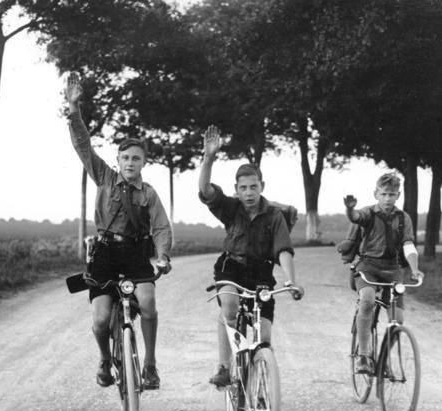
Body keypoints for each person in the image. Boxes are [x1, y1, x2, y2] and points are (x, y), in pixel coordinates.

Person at [64, 72, 172, 390]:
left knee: (149, 303)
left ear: (143, 162)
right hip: (105, 252)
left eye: (136, 158)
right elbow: (83, 145)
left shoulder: (148, 193)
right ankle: (103, 359)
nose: (130, 163)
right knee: (99, 319)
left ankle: (150, 365)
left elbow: (162, 227)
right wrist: (74, 109)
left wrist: (162, 256)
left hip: (137, 252)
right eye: (125, 158)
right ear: (118, 160)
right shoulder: (106, 179)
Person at [198, 125, 303, 387]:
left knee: (264, 339)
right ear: (236, 189)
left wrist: (290, 281)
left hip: (261, 273)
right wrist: (209, 158)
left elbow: (283, 250)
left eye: (253, 187)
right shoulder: (231, 208)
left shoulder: (275, 216)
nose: (248, 193)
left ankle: (261, 389)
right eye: (243, 188)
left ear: (261, 186)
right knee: (230, 309)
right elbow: (206, 191)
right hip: (231, 268)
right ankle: (224, 366)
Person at [344, 172, 424, 374]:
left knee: (398, 318)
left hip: (393, 269)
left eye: (392, 194)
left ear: (398, 195)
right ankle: (363, 356)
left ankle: (383, 361)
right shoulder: (368, 213)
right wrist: (349, 209)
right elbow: (356, 217)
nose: (388, 198)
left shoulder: (403, 218)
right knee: (368, 301)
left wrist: (414, 269)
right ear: (376, 194)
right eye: (384, 194)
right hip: (367, 267)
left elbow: (408, 244)